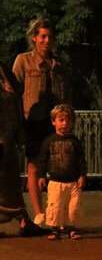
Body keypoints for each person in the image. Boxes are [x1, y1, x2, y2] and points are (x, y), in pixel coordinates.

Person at [12, 18, 71, 226]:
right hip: (33, 121)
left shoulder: (60, 64)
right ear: (34, 38)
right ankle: (38, 213)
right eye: (42, 36)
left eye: (50, 36)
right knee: (34, 166)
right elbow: (14, 93)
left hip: (55, 121)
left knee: (59, 166)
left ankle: (56, 213)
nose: (46, 41)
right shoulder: (23, 61)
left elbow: (67, 93)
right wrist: (17, 123)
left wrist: (68, 120)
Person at [0, 61, 46, 236]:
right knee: (5, 182)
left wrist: (19, 133)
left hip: (8, 137)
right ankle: (23, 218)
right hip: (2, 139)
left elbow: (16, 100)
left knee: (10, 180)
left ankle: (23, 219)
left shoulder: (4, 69)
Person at [37, 104, 87, 240]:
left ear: (72, 123)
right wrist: (41, 176)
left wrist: (82, 175)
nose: (65, 124)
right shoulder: (48, 142)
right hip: (55, 181)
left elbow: (81, 160)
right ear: (54, 122)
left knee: (73, 207)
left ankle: (72, 228)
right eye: (61, 120)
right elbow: (42, 160)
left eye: (68, 121)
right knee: (55, 206)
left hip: (73, 182)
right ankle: (55, 230)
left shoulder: (75, 142)